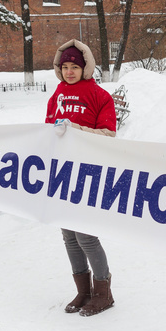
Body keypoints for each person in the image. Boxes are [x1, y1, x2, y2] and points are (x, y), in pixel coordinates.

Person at [46, 39, 118, 316]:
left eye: (74, 66)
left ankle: (104, 293)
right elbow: (47, 130)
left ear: (85, 66)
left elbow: (109, 135)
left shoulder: (100, 96)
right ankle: (83, 291)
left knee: (85, 235)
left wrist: (76, 129)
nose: (69, 71)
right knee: (68, 236)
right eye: (65, 66)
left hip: (87, 173)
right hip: (62, 173)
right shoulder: (57, 95)